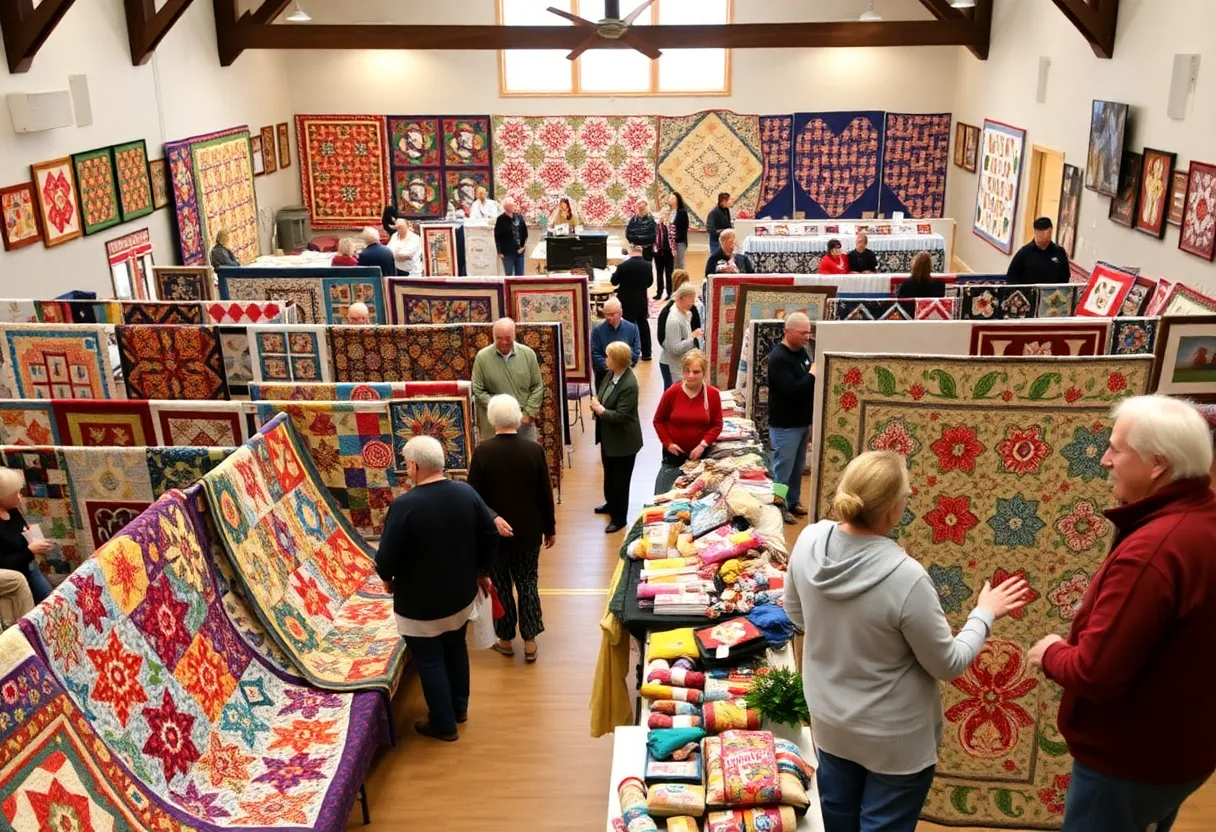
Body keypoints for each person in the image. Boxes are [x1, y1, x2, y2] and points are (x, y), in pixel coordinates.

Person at [785, 451, 1030, 832]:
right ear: (892, 510)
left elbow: (797, 616)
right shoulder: (906, 577)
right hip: (893, 741)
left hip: (831, 724)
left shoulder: (809, 540)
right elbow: (948, 663)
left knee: (837, 820)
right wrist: (984, 613)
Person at [1027, 396, 1216, 832]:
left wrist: (1050, 652)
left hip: (1127, 764)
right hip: (1179, 751)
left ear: (1157, 464)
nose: (1105, 460)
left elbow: (1095, 674)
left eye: (1116, 449)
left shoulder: (1154, 551)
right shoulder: (1203, 520)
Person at [376, 436, 499, 742]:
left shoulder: (404, 506)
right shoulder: (466, 492)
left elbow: (386, 556)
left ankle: (443, 725)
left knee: (430, 660)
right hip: (460, 596)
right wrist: (481, 570)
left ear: (415, 467)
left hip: (420, 604)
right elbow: (490, 533)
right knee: (456, 648)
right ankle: (460, 708)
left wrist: (387, 578)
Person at [467, 395, 556, 664]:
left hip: (494, 535)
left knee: (501, 584)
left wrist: (493, 518)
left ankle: (505, 639)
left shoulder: (482, 452)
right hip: (528, 531)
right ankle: (530, 641)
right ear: (518, 417)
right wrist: (550, 528)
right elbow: (545, 494)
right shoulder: (534, 450)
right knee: (528, 582)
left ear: (492, 419)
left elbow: (473, 496)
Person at [767, 313, 816, 524]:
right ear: (788, 332)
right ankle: (779, 507)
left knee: (797, 469)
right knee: (782, 471)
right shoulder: (778, 358)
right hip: (785, 425)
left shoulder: (802, 353)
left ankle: (793, 502)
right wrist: (812, 374)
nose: (807, 337)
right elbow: (793, 390)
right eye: (803, 333)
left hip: (801, 422)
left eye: (809, 332)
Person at [652, 350, 722, 495]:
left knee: (696, 498)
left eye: (696, 372)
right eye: (687, 371)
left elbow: (717, 424)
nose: (690, 376)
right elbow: (658, 420)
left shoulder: (712, 395)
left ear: (704, 372)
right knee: (663, 496)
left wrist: (703, 444)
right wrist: (668, 443)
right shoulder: (672, 392)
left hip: (701, 457)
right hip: (673, 457)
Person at [592, 342, 642, 534]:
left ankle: (619, 518)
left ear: (617, 360)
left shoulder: (629, 384)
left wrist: (600, 410)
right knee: (610, 474)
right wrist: (598, 402)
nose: (605, 359)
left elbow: (622, 416)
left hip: (623, 442)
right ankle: (611, 503)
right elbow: (602, 394)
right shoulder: (610, 375)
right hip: (609, 438)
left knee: (621, 481)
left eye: (608, 357)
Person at [471, 318, 544, 443]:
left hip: (523, 422)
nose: (504, 342)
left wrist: (529, 413)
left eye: (508, 338)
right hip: (494, 425)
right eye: (499, 338)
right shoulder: (482, 357)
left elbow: (537, 386)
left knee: (526, 454)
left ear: (514, 335)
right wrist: (500, 412)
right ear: (493, 337)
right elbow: (478, 390)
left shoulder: (528, 355)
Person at [0, 469, 52, 605]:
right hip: (14, 579)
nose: (19, 497)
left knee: (49, 599)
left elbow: (20, 532)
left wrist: (30, 535)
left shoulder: (13, 511)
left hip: (30, 568)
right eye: (14, 493)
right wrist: (30, 551)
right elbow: (3, 564)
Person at [610, 244, 654, 362]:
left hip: (626, 301)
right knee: (643, 326)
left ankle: (628, 353)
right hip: (641, 301)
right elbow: (649, 282)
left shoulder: (623, 266)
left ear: (631, 252)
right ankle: (647, 353)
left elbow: (614, 282)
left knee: (627, 327)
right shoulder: (648, 266)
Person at [659, 284, 704, 390]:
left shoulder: (684, 313)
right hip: (671, 365)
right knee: (671, 395)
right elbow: (675, 348)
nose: (692, 305)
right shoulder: (674, 319)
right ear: (681, 298)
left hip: (679, 364)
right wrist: (693, 338)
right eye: (690, 301)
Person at [590, 298, 641, 389]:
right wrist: (611, 367)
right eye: (606, 314)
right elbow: (595, 353)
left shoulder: (632, 329)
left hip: (625, 375)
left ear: (621, 313)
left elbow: (635, 353)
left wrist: (620, 367)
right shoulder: (597, 330)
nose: (608, 317)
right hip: (604, 375)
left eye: (612, 314)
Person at [1007, 217, 1070, 285]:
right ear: (1035, 232)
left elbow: (1065, 276)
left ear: (1051, 231)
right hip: (1029, 290)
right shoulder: (1024, 252)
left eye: (1047, 230)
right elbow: (1012, 276)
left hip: (1052, 291)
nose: (1045, 234)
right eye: (1041, 231)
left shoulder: (1059, 252)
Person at [495, 197, 529, 276]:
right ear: (507, 207)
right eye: (513, 204)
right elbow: (497, 237)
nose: (515, 206)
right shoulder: (500, 219)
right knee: (509, 275)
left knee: (520, 275)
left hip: (519, 252)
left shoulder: (519, 217)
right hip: (507, 253)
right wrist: (499, 251)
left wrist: (523, 247)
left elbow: (525, 233)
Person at [652, 208, 677, 301]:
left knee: (669, 273)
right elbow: (653, 238)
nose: (664, 216)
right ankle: (659, 293)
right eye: (662, 214)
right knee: (659, 273)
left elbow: (673, 239)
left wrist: (674, 250)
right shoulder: (655, 226)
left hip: (668, 252)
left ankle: (669, 293)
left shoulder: (671, 226)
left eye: (666, 214)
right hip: (658, 252)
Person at [669, 192, 690, 270]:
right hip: (673, 242)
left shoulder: (682, 212)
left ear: (677, 200)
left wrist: (675, 239)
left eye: (673, 199)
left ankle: (681, 277)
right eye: (670, 198)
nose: (670, 200)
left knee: (679, 264)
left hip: (679, 242)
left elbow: (684, 228)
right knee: (674, 264)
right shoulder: (672, 211)